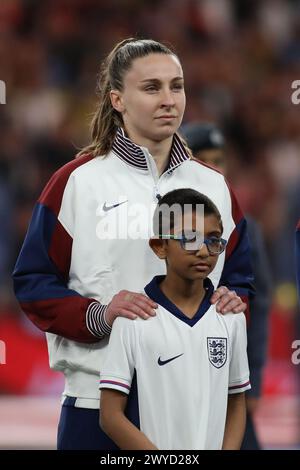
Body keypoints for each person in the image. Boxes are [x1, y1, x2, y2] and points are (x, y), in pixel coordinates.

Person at [13, 38, 253, 450]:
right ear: (118, 99)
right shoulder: (76, 183)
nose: (168, 100)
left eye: (176, 86)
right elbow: (33, 282)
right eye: (151, 87)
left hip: (196, 402)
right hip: (96, 405)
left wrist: (236, 299)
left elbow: (241, 280)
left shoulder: (213, 185)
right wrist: (100, 315)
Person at [99, 188, 250, 450]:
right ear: (160, 246)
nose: (203, 251)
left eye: (214, 240)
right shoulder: (134, 318)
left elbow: (236, 402)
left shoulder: (231, 316)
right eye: (189, 238)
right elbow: (110, 417)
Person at [181, 121, 271, 450]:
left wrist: (253, 384)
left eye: (218, 160)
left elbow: (258, 308)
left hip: (229, 379)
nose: (214, 169)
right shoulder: (160, 223)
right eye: (204, 160)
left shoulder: (242, 227)